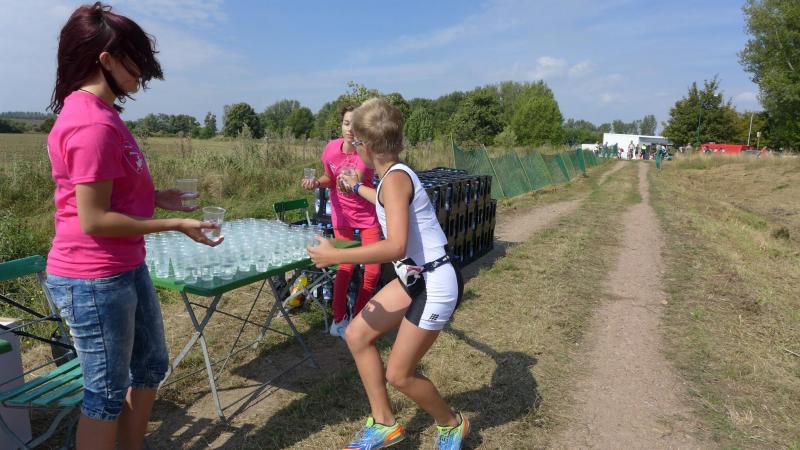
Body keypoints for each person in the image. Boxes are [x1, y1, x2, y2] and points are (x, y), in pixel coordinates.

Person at [44, 3, 221, 449]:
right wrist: (175, 222)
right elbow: (94, 218)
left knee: (149, 366)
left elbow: (111, 193)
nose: (142, 71)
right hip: (93, 278)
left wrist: (155, 197)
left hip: (123, 266)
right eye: (134, 60)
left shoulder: (105, 115)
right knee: (105, 394)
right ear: (105, 59)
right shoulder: (91, 124)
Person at [307, 98, 469, 450]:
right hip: (416, 278)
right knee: (357, 335)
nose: (352, 147)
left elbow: (395, 246)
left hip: (435, 282)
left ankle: (452, 424)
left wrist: (336, 255)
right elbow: (385, 198)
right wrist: (356, 187)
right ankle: (385, 424)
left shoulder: (394, 180)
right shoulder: (391, 176)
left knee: (399, 374)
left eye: (355, 141)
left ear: (366, 146)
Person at [302, 104, 381, 338]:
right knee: (345, 266)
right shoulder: (330, 149)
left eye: (355, 126)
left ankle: (358, 319)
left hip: (367, 216)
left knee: (373, 271)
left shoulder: (366, 152)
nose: (350, 129)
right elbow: (330, 176)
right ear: (341, 125)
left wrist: (349, 182)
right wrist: (317, 182)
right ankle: (339, 320)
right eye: (347, 124)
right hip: (342, 215)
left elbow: (356, 177)